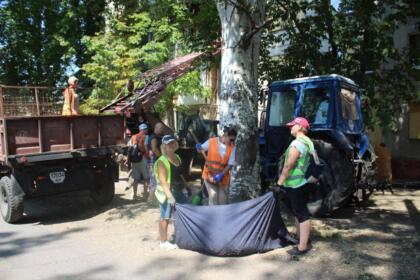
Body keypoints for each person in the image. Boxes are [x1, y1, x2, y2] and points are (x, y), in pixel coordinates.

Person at [275, 117, 314, 256]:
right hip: (302, 182)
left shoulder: (297, 144)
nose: (290, 127)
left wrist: (279, 183)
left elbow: (288, 165)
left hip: (295, 184)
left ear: (300, 127)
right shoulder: (308, 142)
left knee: (302, 215)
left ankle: (302, 247)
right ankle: (301, 239)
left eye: (292, 125)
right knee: (299, 213)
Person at [154, 135, 188, 250]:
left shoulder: (177, 157)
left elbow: (180, 174)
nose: (171, 145)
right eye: (168, 143)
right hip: (166, 193)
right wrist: (170, 197)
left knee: (185, 211)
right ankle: (163, 242)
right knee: (165, 216)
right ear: (164, 146)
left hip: (178, 190)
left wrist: (187, 187)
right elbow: (163, 182)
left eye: (173, 142)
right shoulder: (161, 161)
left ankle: (182, 237)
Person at [196, 127, 236, 205]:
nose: (232, 142)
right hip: (209, 174)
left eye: (233, 140)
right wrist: (198, 147)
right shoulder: (212, 142)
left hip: (223, 177)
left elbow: (230, 164)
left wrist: (221, 174)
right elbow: (201, 149)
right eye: (231, 140)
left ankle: (222, 216)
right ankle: (213, 216)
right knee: (213, 197)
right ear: (224, 135)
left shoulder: (232, 148)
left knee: (222, 200)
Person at [126, 123, 150, 200]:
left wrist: (128, 159)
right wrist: (148, 156)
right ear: (144, 129)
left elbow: (129, 147)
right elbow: (146, 147)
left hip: (134, 159)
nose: (147, 130)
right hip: (142, 158)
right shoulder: (146, 137)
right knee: (146, 178)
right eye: (146, 129)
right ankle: (145, 195)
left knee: (135, 178)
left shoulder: (133, 137)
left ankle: (135, 195)